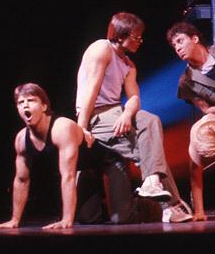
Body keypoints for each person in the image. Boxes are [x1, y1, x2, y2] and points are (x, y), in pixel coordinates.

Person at [76, 12, 192, 223]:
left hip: (115, 113)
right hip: (94, 114)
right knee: (149, 129)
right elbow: (91, 90)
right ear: (120, 36)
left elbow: (134, 97)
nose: (140, 41)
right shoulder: (102, 49)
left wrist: (128, 113)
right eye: (136, 37)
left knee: (122, 217)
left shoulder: (129, 65)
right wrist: (81, 128)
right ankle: (171, 204)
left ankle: (154, 188)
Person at [0, 83, 83, 229]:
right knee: (89, 217)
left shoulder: (62, 128)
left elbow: (68, 176)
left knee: (121, 217)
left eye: (31, 100)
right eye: (21, 102)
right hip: (82, 175)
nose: (25, 106)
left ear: (44, 107)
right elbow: (21, 180)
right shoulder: (21, 139)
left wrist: (67, 219)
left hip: (103, 165)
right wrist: (14, 220)